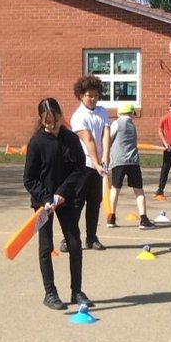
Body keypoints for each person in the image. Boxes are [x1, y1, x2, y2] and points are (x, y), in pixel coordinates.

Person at [23, 97, 92, 310]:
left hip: (67, 199)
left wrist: (62, 193)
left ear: (61, 116)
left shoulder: (71, 140)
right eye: (46, 122)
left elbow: (80, 169)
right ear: (42, 120)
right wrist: (45, 198)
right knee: (46, 246)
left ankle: (76, 291)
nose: (51, 126)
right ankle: (50, 293)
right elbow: (29, 178)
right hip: (43, 203)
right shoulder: (36, 142)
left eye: (54, 120)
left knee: (74, 243)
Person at [67, 74, 111, 250]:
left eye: (95, 95)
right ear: (81, 95)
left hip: (99, 166)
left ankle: (91, 237)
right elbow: (89, 139)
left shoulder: (102, 111)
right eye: (88, 95)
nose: (92, 98)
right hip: (83, 165)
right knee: (77, 203)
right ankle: (68, 237)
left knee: (95, 203)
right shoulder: (78, 116)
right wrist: (97, 162)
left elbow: (105, 133)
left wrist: (106, 156)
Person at [107, 102, 154, 229]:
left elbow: (108, 138)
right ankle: (143, 218)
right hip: (133, 161)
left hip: (118, 161)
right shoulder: (132, 126)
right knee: (139, 190)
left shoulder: (116, 123)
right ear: (130, 113)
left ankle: (111, 217)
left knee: (115, 189)